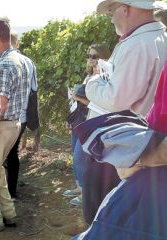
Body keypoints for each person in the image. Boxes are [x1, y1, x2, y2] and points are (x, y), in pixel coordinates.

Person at [77, 0, 167, 224]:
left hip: (121, 148)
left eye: (111, 10)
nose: (111, 17)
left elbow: (117, 100)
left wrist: (92, 83)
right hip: (144, 146)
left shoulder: (136, 44)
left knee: (103, 215)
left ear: (125, 9)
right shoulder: (159, 37)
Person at [0, 17, 29, 232]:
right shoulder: (21, 60)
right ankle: (9, 213)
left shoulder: (3, 65)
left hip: (1, 126)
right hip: (15, 124)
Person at [63, 44, 111, 207]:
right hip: (80, 120)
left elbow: (100, 103)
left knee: (80, 158)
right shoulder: (89, 76)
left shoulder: (106, 78)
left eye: (94, 56)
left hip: (91, 123)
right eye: (89, 55)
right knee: (76, 157)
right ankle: (78, 188)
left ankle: (85, 194)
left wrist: (79, 98)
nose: (90, 59)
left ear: (103, 58)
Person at [4, 30, 38, 200]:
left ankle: (2, 191)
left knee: (2, 153)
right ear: (17, 43)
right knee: (13, 153)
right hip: (23, 116)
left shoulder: (4, 62)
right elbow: (34, 89)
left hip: (6, 116)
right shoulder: (29, 62)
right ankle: (11, 191)